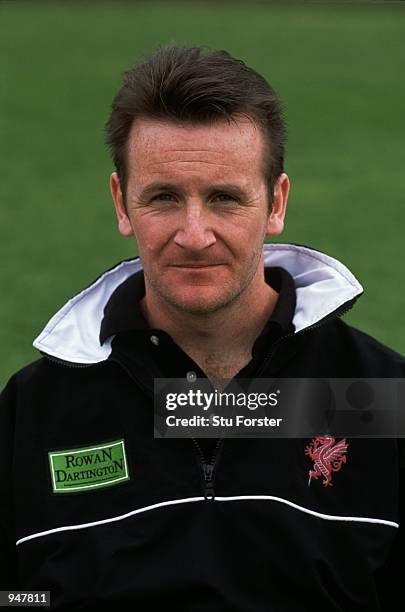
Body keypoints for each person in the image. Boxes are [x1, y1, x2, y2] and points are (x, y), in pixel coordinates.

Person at [0, 43, 403, 611]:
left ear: (276, 202)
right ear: (122, 203)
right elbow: (14, 595)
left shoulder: (385, 397)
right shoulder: (33, 412)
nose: (194, 234)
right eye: (164, 197)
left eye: (224, 198)